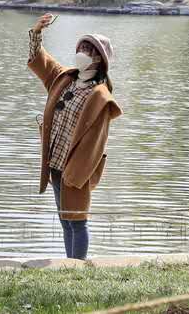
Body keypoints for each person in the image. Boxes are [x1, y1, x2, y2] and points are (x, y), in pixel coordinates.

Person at [28, 13, 122, 260]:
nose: (81, 51)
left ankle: (77, 267)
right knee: (64, 219)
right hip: (55, 162)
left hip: (76, 169)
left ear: (100, 59)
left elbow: (96, 143)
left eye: (89, 49)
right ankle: (70, 264)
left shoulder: (101, 96)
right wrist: (37, 32)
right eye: (81, 46)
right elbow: (42, 61)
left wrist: (78, 172)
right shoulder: (64, 78)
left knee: (77, 220)